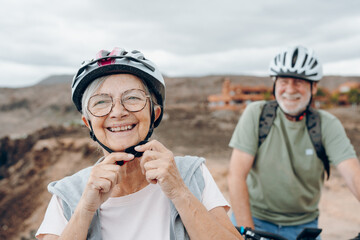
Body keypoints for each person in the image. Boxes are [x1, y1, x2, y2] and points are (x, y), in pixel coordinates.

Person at [36, 47, 242, 240]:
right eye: (101, 102)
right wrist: (85, 209)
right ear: (88, 123)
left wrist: (179, 191)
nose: (118, 112)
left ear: (155, 114)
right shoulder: (68, 194)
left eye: (132, 98)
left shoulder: (192, 174)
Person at [227, 45, 360, 239]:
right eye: (284, 81)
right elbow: (236, 176)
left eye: (298, 82)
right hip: (255, 219)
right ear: (275, 84)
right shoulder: (257, 114)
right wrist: (248, 231)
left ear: (313, 87)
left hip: (302, 226)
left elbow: (353, 175)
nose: (290, 89)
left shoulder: (327, 125)